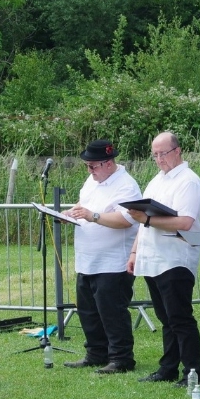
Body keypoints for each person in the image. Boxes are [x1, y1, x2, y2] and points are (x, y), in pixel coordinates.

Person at [127, 132, 200, 387]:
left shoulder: (188, 181)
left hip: (175, 257)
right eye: (155, 154)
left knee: (180, 317)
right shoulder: (156, 181)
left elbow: (185, 221)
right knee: (165, 317)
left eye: (164, 153)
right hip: (153, 257)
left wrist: (148, 219)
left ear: (178, 151)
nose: (159, 159)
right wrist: (135, 252)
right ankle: (168, 367)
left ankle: (193, 372)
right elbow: (141, 221)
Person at [62, 140, 141, 374]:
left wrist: (92, 215)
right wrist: (69, 213)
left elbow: (126, 219)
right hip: (87, 259)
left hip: (113, 261)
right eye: (87, 166)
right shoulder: (92, 181)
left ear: (108, 163)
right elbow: (82, 205)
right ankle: (96, 352)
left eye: (92, 166)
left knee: (112, 311)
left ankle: (121, 357)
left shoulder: (126, 186)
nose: (89, 170)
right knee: (88, 310)